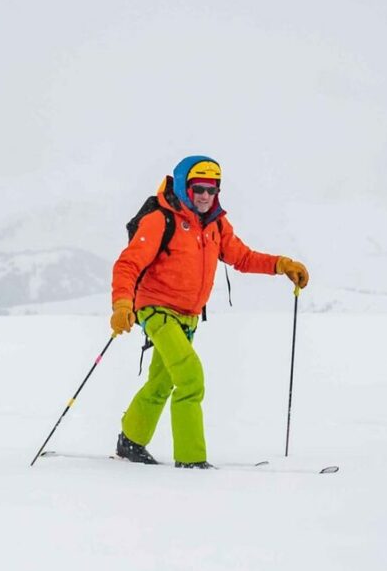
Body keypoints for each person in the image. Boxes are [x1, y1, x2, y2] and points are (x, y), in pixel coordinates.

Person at [109, 156, 309, 468]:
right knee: (190, 377)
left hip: (188, 317)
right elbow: (128, 264)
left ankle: (130, 441)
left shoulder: (215, 223)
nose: (205, 196)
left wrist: (281, 264)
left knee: (161, 383)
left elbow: (241, 257)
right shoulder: (161, 219)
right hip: (157, 309)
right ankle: (191, 460)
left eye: (212, 190)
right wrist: (122, 304)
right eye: (198, 188)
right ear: (183, 186)